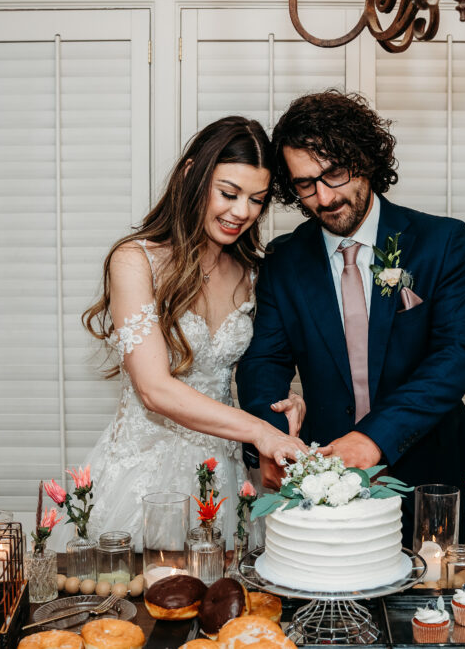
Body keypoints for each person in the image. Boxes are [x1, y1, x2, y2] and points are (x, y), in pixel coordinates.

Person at [236, 91, 465, 544]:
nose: (324, 197)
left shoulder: (441, 241)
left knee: (428, 607)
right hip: (321, 478)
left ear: (366, 158)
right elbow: (263, 363)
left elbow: (459, 353)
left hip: (427, 470)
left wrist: (374, 437)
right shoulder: (283, 259)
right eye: (304, 184)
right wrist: (271, 439)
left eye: (334, 173)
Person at [52, 116, 312, 549]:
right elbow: (154, 389)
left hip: (224, 472)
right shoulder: (136, 261)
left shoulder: (252, 272)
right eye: (228, 193)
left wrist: (285, 407)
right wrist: (260, 432)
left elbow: (259, 367)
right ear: (192, 174)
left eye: (256, 200)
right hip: (143, 476)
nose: (242, 212)